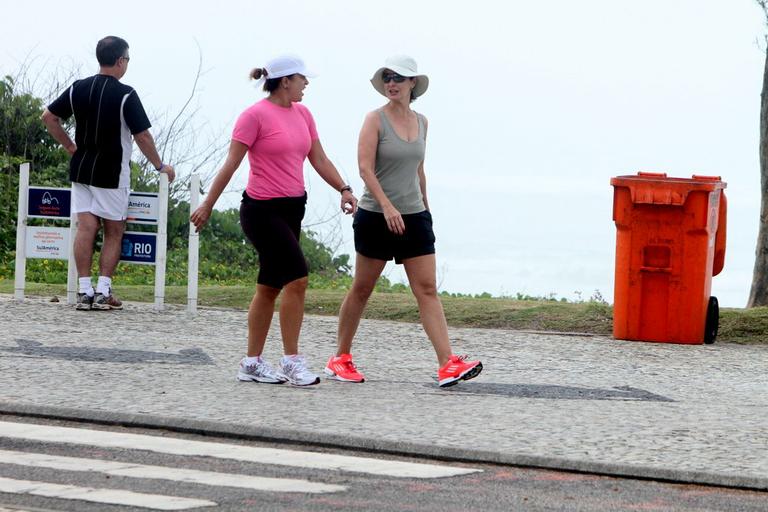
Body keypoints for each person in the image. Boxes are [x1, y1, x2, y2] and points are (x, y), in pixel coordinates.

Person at [190, 55, 357, 387]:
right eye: (302, 79)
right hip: (261, 211)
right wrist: (207, 204)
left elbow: (318, 158)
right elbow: (231, 164)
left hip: (293, 208)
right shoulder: (254, 116)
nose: (306, 84)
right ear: (285, 81)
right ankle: (292, 362)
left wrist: (344, 188)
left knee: (269, 286)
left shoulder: (304, 114)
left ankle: (250, 363)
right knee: (298, 279)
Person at [325, 55, 483, 388]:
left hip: (414, 217)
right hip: (375, 216)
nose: (392, 83)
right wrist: (387, 207)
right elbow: (365, 169)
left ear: (413, 84)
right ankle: (340, 357)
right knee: (363, 288)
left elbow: (418, 170)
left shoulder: (423, 122)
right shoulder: (375, 120)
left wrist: (425, 209)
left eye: (399, 78)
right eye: (387, 77)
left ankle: (447, 363)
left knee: (426, 289)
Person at [42, 36, 175, 311]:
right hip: (112, 173)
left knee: (86, 227)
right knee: (114, 231)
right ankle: (103, 291)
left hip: (81, 170)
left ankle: (83, 290)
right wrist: (160, 166)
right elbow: (143, 137)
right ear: (120, 60)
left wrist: (70, 146)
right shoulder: (126, 94)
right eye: (127, 59)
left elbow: (48, 117)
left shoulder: (78, 88)